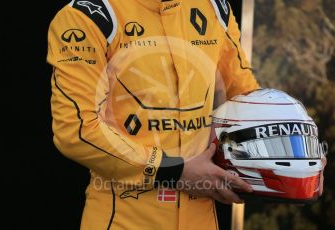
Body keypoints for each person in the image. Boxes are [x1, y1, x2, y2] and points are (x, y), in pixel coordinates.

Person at [47, 0, 259, 229]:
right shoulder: (89, 15)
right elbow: (77, 130)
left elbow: (246, 99)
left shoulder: (214, 6)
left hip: (203, 218)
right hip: (125, 220)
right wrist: (174, 171)